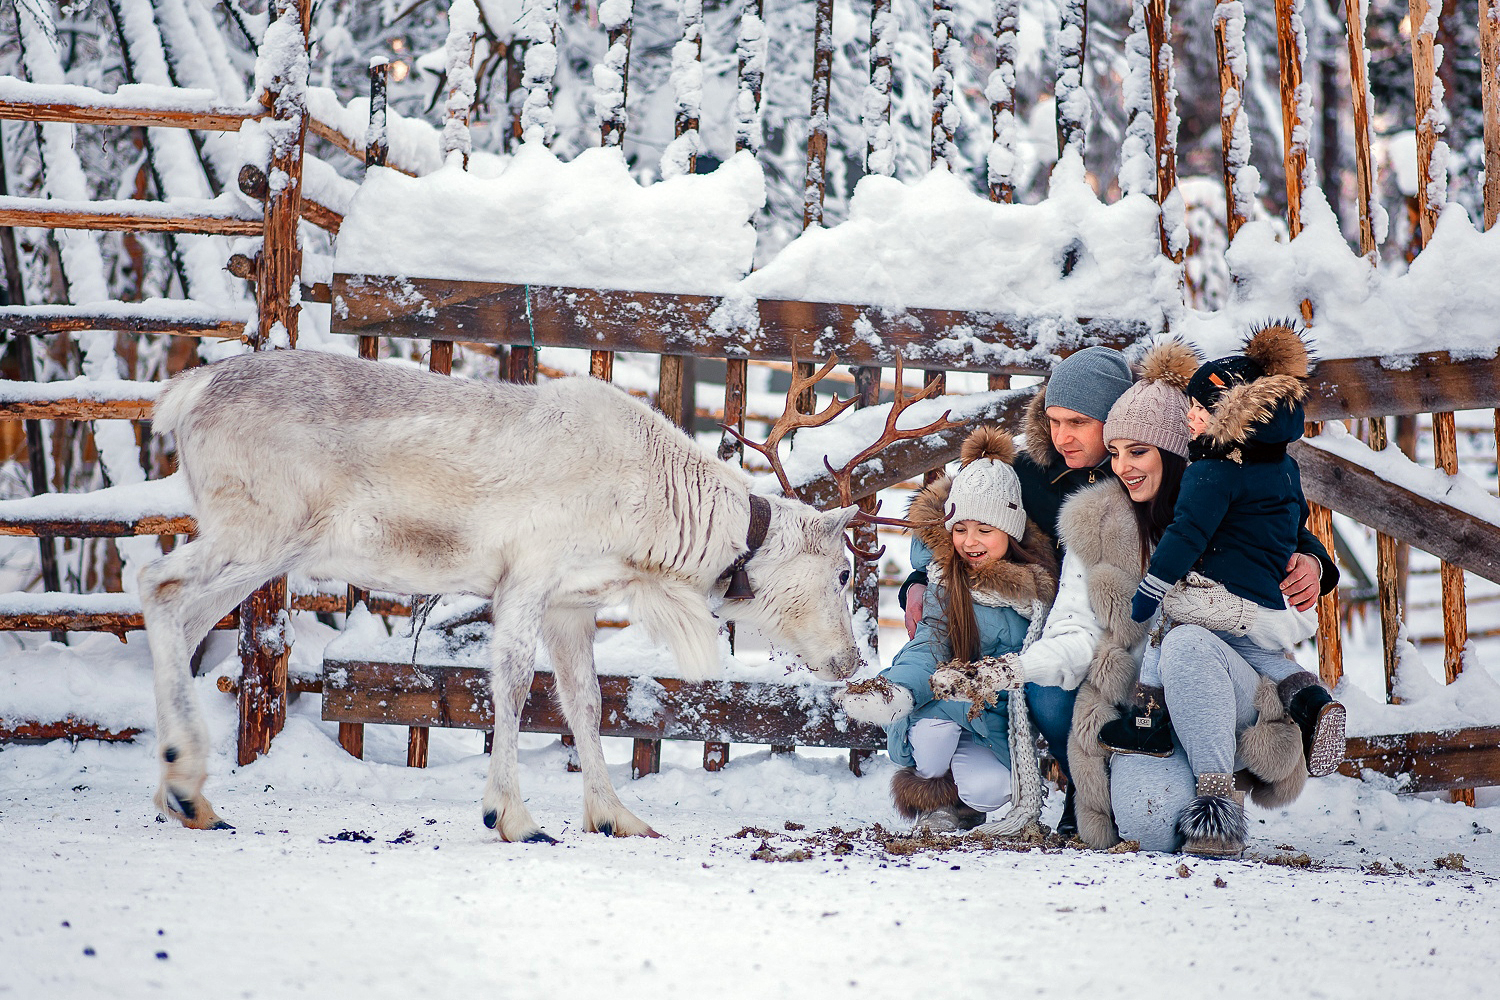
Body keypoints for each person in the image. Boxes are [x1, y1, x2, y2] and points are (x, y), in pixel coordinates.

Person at [898, 345, 1135, 836]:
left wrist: (1312, 558)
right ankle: (1078, 788)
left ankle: (1127, 790)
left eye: (1077, 423)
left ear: (1114, 419)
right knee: (1048, 692)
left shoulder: (1142, 466)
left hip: (1128, 626)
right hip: (1055, 628)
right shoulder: (1033, 473)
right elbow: (953, 511)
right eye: (1053, 420)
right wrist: (921, 578)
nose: (1062, 435)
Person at [1104, 322, 1346, 778]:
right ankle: (1311, 699)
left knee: (1169, 623)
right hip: (1262, 609)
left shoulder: (1211, 473)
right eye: (1113, 453)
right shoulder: (1278, 464)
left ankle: (1147, 720)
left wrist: (1313, 562)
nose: (1122, 467)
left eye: (1138, 451)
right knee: (1252, 650)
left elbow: (1190, 536)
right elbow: (1287, 519)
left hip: (1227, 631)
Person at [838, 427, 1059, 832]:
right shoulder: (946, 580)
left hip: (989, 716)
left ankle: (967, 800)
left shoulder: (1037, 594)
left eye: (984, 530)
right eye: (960, 529)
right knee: (936, 734)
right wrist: (896, 690)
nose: (970, 542)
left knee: (993, 790)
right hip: (936, 704)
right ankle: (934, 800)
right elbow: (929, 644)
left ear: (1010, 531)